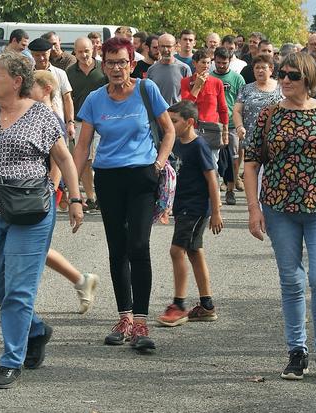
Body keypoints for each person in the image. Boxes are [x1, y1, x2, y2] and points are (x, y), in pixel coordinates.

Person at [0, 52, 84, 389]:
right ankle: (38, 330)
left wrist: (73, 199)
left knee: (18, 290)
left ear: (16, 81)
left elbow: (65, 159)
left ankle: (11, 360)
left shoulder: (42, 116)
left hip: (30, 213)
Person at [243, 52, 316, 383]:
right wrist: (252, 208)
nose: (285, 80)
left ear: (308, 78)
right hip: (279, 208)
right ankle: (297, 352)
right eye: (282, 74)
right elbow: (251, 163)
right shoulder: (269, 115)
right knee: (291, 280)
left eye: (292, 75)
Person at [74, 37, 175, 353]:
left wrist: (158, 164)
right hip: (108, 178)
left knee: (138, 245)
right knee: (117, 247)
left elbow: (169, 130)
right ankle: (125, 318)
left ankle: (142, 323)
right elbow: (81, 146)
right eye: (111, 62)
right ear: (103, 66)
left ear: (133, 64)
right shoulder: (94, 99)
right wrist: (71, 187)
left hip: (142, 176)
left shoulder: (147, 90)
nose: (116, 68)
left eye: (122, 62)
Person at [31, 69, 100, 313]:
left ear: (46, 89)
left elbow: (60, 161)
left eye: (32, 87)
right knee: (35, 247)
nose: (27, 91)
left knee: (32, 248)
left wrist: (52, 192)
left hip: (45, 191)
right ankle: (81, 281)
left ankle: (19, 302)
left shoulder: (52, 118)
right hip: (40, 191)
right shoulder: (35, 114)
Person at [156, 100, 223, 327]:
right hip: (182, 205)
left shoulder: (199, 145)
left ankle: (179, 305)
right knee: (194, 251)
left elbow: (212, 179)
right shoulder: (175, 143)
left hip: (195, 208)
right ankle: (207, 305)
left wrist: (216, 211)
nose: (169, 124)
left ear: (190, 122)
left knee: (177, 251)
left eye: (174, 121)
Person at [66, 37, 107, 211]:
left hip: (103, 120)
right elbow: (67, 98)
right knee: (85, 160)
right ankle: (91, 197)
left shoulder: (103, 68)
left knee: (101, 159)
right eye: (80, 51)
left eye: (87, 51)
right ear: (75, 52)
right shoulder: (69, 72)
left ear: (93, 49)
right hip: (80, 121)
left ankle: (104, 195)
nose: (83, 55)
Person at [180, 47, 229, 163]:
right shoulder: (186, 82)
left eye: (208, 62)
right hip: (192, 129)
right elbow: (186, 106)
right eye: (203, 62)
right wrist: (197, 86)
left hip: (211, 130)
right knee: (192, 164)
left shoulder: (217, 82)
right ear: (194, 63)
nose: (206, 65)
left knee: (212, 165)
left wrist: (225, 132)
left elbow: (223, 108)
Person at [211, 46, 246, 204]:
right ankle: (214, 189)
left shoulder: (237, 79)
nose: (221, 66)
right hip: (213, 124)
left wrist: (240, 123)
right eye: (218, 62)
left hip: (231, 124)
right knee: (213, 159)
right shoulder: (209, 77)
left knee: (233, 158)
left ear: (229, 61)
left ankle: (230, 189)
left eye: (224, 63)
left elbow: (242, 102)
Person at [28, 38, 76, 140]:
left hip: (57, 124)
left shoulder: (60, 74)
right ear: (32, 55)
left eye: (44, 54)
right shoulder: (27, 75)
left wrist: (70, 122)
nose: (41, 58)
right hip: (32, 126)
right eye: (37, 55)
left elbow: (67, 99)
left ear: (49, 52)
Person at [234, 53, 283, 149]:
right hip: (250, 139)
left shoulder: (281, 88)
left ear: (271, 69)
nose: (260, 70)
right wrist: (239, 127)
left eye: (263, 68)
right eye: (257, 68)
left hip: (275, 139)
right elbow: (237, 111)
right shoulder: (245, 89)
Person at [147, 33, 192, 105]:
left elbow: (189, 95)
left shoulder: (184, 69)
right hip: (157, 114)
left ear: (175, 47)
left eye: (168, 46)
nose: (165, 50)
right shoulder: (151, 70)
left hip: (176, 114)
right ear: (158, 47)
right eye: (162, 46)